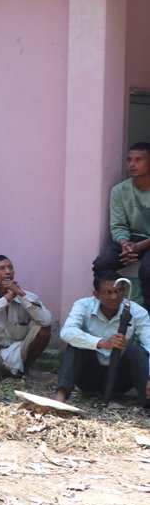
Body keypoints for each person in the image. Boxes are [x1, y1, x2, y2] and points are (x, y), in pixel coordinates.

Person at [54, 273, 150, 404]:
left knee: (136, 350)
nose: (114, 297)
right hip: (89, 376)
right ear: (96, 294)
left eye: (118, 291)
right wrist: (101, 343)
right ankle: (59, 398)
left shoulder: (137, 312)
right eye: (107, 292)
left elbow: (149, 343)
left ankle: (148, 401)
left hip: (120, 379)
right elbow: (67, 332)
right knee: (76, 345)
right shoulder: (83, 305)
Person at [0, 255, 52, 379]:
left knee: (44, 329)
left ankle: (25, 370)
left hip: (18, 353)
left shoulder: (26, 296)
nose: (8, 272)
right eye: (2, 268)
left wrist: (21, 295)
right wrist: (6, 299)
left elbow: (46, 320)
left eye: (10, 267)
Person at [93, 142, 150, 307]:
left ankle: (146, 318)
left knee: (148, 270)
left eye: (138, 160)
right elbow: (118, 225)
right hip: (131, 239)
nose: (132, 164)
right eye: (129, 159)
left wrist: (140, 246)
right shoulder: (119, 190)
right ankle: (108, 307)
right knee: (103, 262)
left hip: (145, 242)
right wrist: (125, 244)